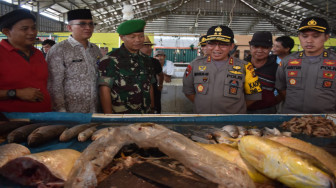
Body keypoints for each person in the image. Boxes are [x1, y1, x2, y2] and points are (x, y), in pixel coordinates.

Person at [183, 25, 262, 114]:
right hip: (202, 121)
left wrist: (236, 109)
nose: (217, 48)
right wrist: (203, 105)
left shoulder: (245, 67)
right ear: (207, 45)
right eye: (212, 43)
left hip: (232, 123)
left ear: (231, 46)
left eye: (223, 44)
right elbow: (188, 92)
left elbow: (253, 96)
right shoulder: (195, 65)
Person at [276, 17, 336, 114]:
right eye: (304, 36)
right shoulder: (287, 61)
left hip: (326, 120)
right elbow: (281, 88)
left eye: (315, 36)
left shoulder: (334, 61)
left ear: (326, 37)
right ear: (299, 37)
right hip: (291, 118)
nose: (309, 41)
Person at [46, 9, 102, 113]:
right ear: (69, 27)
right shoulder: (59, 50)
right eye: (82, 24)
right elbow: (54, 85)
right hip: (71, 113)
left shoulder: (95, 49)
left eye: (91, 24)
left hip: (95, 110)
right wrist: (61, 112)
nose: (88, 28)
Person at [98, 19, 155, 114]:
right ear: (122, 37)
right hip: (121, 116)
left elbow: (150, 86)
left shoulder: (147, 60)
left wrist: (152, 109)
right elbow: (104, 90)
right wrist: (108, 117)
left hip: (144, 115)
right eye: (132, 37)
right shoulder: (109, 60)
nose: (138, 40)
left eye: (141, 36)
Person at [0, 9, 51, 112]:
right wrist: (16, 93)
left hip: (43, 118)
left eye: (33, 28)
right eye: (24, 29)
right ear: (7, 32)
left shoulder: (38, 54)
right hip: (10, 122)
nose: (31, 32)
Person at [245, 31, 282, 114]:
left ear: (270, 48)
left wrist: (271, 102)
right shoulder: (241, 66)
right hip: (243, 110)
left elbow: (282, 92)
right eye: (256, 46)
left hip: (267, 111)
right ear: (250, 47)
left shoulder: (276, 68)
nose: (260, 50)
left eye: (264, 47)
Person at [140, 36, 164, 113]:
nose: (149, 48)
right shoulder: (132, 62)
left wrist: (160, 85)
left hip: (154, 92)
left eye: (150, 46)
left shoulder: (154, 62)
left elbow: (161, 74)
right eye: (146, 46)